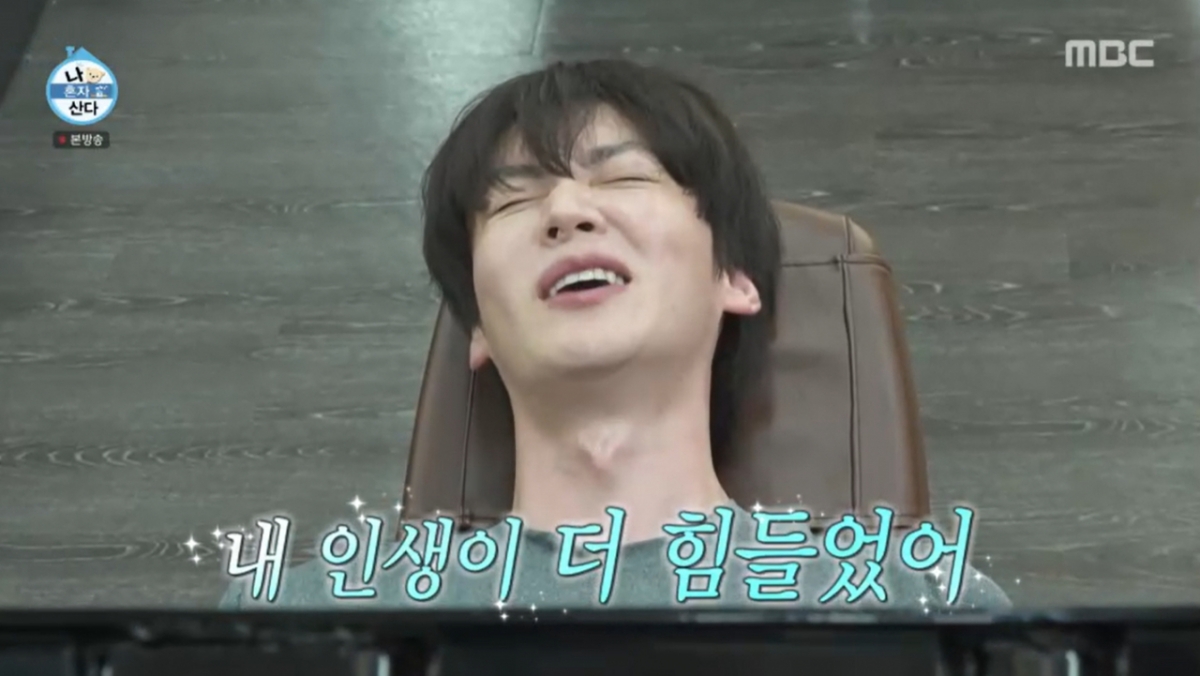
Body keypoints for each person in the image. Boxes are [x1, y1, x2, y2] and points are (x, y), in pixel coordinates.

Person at [222, 59, 1010, 611]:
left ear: (734, 277)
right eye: (512, 201)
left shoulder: (917, 605)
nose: (567, 211)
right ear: (478, 327)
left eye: (625, 176)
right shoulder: (305, 613)